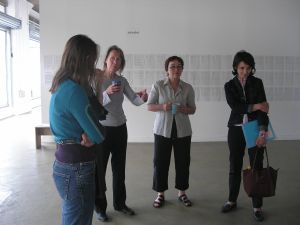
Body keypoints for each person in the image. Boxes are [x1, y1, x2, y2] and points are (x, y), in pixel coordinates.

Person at [49, 34, 105, 225]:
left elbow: (96, 118)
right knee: (78, 219)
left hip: (65, 162)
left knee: (74, 215)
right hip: (77, 166)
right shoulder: (74, 90)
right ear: (86, 59)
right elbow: (98, 134)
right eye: (93, 60)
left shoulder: (62, 84)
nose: (94, 66)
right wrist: (93, 132)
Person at [93, 45, 148, 220]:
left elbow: (134, 99)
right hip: (102, 129)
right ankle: (100, 208)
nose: (115, 62)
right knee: (99, 171)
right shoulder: (96, 78)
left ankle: (120, 204)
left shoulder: (122, 81)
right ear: (106, 59)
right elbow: (93, 104)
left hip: (120, 129)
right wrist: (107, 93)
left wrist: (143, 98)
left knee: (119, 169)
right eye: (113, 58)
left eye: (119, 59)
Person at [222, 50, 269, 222]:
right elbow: (236, 108)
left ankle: (257, 206)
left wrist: (263, 131)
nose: (245, 71)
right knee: (234, 165)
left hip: (254, 128)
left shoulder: (258, 83)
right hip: (235, 129)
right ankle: (231, 200)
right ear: (236, 67)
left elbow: (264, 110)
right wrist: (256, 105)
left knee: (256, 167)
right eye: (242, 68)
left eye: (248, 68)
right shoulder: (229, 86)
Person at [147, 56, 196, 208]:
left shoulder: (187, 87)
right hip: (162, 130)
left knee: (183, 162)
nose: (176, 69)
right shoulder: (159, 85)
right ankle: (160, 194)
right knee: (160, 162)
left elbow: (193, 109)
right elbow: (149, 106)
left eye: (179, 66)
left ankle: (182, 192)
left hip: (183, 130)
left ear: (182, 69)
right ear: (166, 70)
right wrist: (163, 107)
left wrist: (183, 109)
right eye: (172, 66)